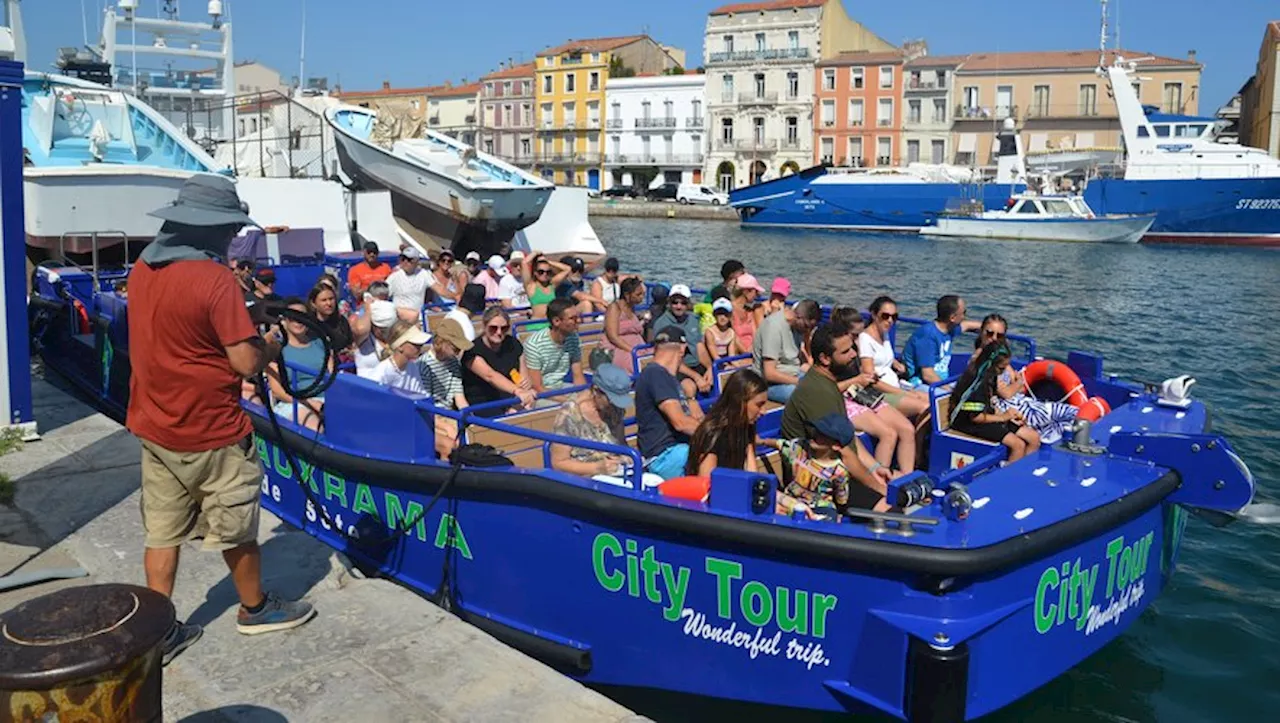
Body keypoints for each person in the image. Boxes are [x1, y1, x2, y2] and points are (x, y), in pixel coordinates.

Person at [126, 175, 314, 664]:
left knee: (162, 531)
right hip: (210, 428)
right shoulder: (214, 280)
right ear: (211, 227)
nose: (232, 236)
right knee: (237, 524)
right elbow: (246, 364)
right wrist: (270, 343)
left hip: (154, 421)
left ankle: (158, 630)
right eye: (230, 227)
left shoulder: (144, 266)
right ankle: (255, 609)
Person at [778, 323, 893, 510]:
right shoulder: (817, 392)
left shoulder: (828, 383)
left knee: (898, 483)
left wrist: (874, 468)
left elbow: (847, 439)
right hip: (815, 480)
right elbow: (844, 452)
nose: (854, 354)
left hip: (833, 467)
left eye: (853, 348)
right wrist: (880, 488)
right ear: (825, 358)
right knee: (889, 506)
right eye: (846, 351)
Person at [829, 306, 916, 474]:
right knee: (889, 434)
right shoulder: (833, 354)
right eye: (855, 335)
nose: (859, 339)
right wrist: (856, 380)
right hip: (844, 399)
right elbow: (828, 389)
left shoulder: (857, 348)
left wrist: (866, 378)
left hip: (860, 394)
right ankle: (880, 484)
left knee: (907, 429)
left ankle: (907, 477)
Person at [552, 364, 660, 488]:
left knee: (655, 483)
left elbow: (619, 443)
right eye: (611, 399)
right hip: (584, 480)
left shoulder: (614, 409)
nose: (614, 404)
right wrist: (596, 468)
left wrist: (626, 457)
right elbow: (559, 463)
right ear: (596, 391)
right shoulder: (569, 415)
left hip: (614, 473)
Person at [978, 314, 1078, 444]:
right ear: (981, 333)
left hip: (1021, 402)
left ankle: (1046, 438)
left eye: (1000, 335)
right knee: (1073, 414)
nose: (994, 339)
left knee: (1074, 414)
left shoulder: (999, 356)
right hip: (1010, 407)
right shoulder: (982, 361)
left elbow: (1015, 389)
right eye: (990, 333)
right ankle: (1046, 440)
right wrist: (1019, 381)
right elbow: (1007, 393)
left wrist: (1015, 385)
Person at [762, 412, 881, 519]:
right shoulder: (799, 447)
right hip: (792, 499)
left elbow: (841, 499)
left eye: (823, 435)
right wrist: (762, 441)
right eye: (816, 431)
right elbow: (780, 444)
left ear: (836, 446)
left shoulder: (839, 471)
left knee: (826, 520)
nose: (815, 436)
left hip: (821, 506)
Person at [949, 341, 1042, 462]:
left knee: (1033, 438)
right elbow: (975, 417)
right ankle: (1009, 478)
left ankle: (1025, 471)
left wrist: (1010, 416)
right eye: (1001, 368)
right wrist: (1003, 418)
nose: (1003, 372)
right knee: (1017, 445)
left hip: (987, 416)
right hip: (969, 423)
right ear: (990, 364)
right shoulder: (976, 384)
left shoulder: (991, 376)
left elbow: (992, 403)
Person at [636, 327, 705, 480]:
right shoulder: (656, 374)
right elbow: (680, 422)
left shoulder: (666, 377)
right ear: (682, 349)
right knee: (717, 452)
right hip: (664, 456)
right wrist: (715, 433)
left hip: (676, 451)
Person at [685, 369, 769, 477]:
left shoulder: (746, 427)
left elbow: (752, 474)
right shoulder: (712, 434)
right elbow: (707, 484)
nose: (763, 411)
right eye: (759, 405)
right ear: (740, 401)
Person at [265, 297, 331, 431]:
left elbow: (333, 376)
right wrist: (310, 403)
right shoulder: (276, 349)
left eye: (302, 317)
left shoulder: (320, 344)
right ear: (285, 320)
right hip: (293, 403)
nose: (298, 321)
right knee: (315, 427)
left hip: (325, 401)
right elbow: (278, 392)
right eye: (293, 317)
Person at [858, 296, 929, 418]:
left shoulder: (884, 334)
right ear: (874, 315)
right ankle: (918, 436)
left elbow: (882, 358)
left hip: (895, 386)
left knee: (932, 400)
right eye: (885, 316)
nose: (890, 320)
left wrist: (895, 363)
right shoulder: (865, 339)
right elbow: (871, 380)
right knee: (925, 407)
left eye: (894, 317)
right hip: (880, 393)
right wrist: (904, 393)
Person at [462, 307, 536, 417]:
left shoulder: (513, 344)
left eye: (504, 328)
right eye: (493, 328)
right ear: (484, 326)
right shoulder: (473, 350)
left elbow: (523, 374)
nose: (499, 332)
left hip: (509, 397)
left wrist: (526, 391)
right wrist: (518, 392)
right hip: (483, 403)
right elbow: (490, 375)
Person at [902, 295, 982, 387]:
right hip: (921, 384)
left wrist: (992, 327)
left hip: (942, 382)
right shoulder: (927, 336)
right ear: (952, 318)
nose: (965, 316)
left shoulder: (949, 329)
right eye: (963, 313)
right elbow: (927, 375)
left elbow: (967, 325)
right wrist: (951, 393)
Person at [753, 298, 820, 403]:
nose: (808, 331)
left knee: (824, 386)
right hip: (770, 383)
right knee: (809, 396)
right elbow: (769, 373)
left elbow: (797, 362)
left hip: (792, 373)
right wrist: (799, 382)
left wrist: (820, 374)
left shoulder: (797, 329)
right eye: (807, 326)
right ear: (798, 317)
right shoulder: (774, 327)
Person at [653, 284, 711, 398]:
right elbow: (670, 359)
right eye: (675, 302)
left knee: (720, 379)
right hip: (675, 369)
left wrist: (710, 368)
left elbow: (699, 346)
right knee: (690, 388)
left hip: (696, 365)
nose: (679, 306)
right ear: (669, 303)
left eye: (683, 303)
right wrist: (696, 377)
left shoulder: (693, 320)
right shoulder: (661, 324)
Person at [524, 297, 586, 394]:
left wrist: (584, 396)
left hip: (562, 386)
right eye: (573, 318)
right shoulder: (534, 345)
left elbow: (578, 375)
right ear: (556, 321)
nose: (578, 321)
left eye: (578, 317)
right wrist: (569, 401)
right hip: (542, 394)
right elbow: (537, 387)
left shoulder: (574, 338)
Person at [419, 317, 472, 411]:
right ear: (441, 342)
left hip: (450, 411)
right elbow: (427, 403)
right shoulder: (425, 366)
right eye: (455, 348)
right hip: (434, 414)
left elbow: (459, 395)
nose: (458, 352)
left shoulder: (454, 362)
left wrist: (469, 416)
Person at [602, 277, 648, 373]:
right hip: (620, 347)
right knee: (634, 362)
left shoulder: (632, 308)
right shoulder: (614, 308)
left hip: (637, 346)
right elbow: (613, 336)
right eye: (638, 294)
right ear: (627, 295)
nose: (642, 298)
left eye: (643, 294)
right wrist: (632, 350)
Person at [523, 252, 570, 330]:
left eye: (548, 272)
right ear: (535, 273)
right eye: (541, 272)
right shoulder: (531, 286)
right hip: (536, 325)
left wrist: (548, 261)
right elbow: (524, 263)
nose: (544, 274)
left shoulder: (552, 285)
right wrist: (536, 252)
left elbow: (567, 269)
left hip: (550, 325)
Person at [386, 246, 433, 322]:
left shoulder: (424, 274)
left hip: (419, 320)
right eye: (403, 259)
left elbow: (439, 289)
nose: (405, 262)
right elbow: (383, 295)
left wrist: (455, 296)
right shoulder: (394, 276)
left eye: (409, 260)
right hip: (400, 321)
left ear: (417, 261)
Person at [353, 299, 398, 374]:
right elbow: (361, 329)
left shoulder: (395, 336)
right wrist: (368, 309)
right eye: (382, 329)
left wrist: (392, 309)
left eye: (389, 328)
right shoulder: (364, 338)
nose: (386, 333)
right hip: (367, 383)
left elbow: (413, 315)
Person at [307, 283, 353, 353]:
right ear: (313, 303)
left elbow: (350, 344)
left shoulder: (341, 321)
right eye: (324, 300)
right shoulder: (309, 326)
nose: (329, 303)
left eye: (331, 299)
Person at [703, 297, 743, 363]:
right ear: (714, 315)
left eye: (726, 314)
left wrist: (736, 365)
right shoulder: (710, 332)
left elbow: (731, 355)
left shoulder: (731, 332)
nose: (722, 317)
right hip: (713, 362)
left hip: (725, 361)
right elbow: (715, 357)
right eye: (719, 313)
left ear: (730, 315)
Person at [731, 276, 764, 352]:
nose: (757, 295)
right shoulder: (730, 310)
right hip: (739, 354)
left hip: (752, 352)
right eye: (755, 291)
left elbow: (755, 335)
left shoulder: (749, 312)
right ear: (746, 291)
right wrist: (746, 353)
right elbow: (733, 337)